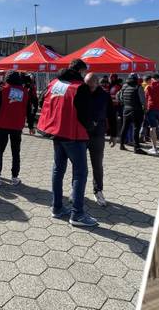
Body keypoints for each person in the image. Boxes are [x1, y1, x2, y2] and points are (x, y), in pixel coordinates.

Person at [38, 59, 97, 227]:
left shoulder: (54, 83)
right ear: (79, 71)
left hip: (57, 133)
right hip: (74, 135)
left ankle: (57, 208)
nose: (85, 75)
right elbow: (84, 114)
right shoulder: (80, 87)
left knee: (58, 170)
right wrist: (92, 127)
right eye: (84, 72)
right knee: (80, 173)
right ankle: (77, 214)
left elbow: (42, 101)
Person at [0, 71, 34, 186]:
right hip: (17, 126)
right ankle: (14, 177)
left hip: (2, 125)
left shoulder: (2, 89)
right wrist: (31, 125)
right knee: (15, 152)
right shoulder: (24, 92)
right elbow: (29, 110)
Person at [84, 74, 117, 207]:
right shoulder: (81, 94)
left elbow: (112, 115)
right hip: (81, 134)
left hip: (98, 135)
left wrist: (114, 134)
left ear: (97, 83)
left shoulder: (104, 95)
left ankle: (98, 191)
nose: (90, 88)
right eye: (87, 85)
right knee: (79, 165)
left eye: (92, 85)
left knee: (97, 164)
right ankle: (76, 190)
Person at [118, 73, 147, 154]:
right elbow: (143, 101)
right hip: (136, 111)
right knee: (136, 129)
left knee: (124, 127)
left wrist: (124, 104)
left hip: (126, 109)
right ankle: (136, 148)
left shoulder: (124, 86)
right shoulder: (138, 87)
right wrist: (145, 109)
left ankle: (121, 145)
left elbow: (120, 97)